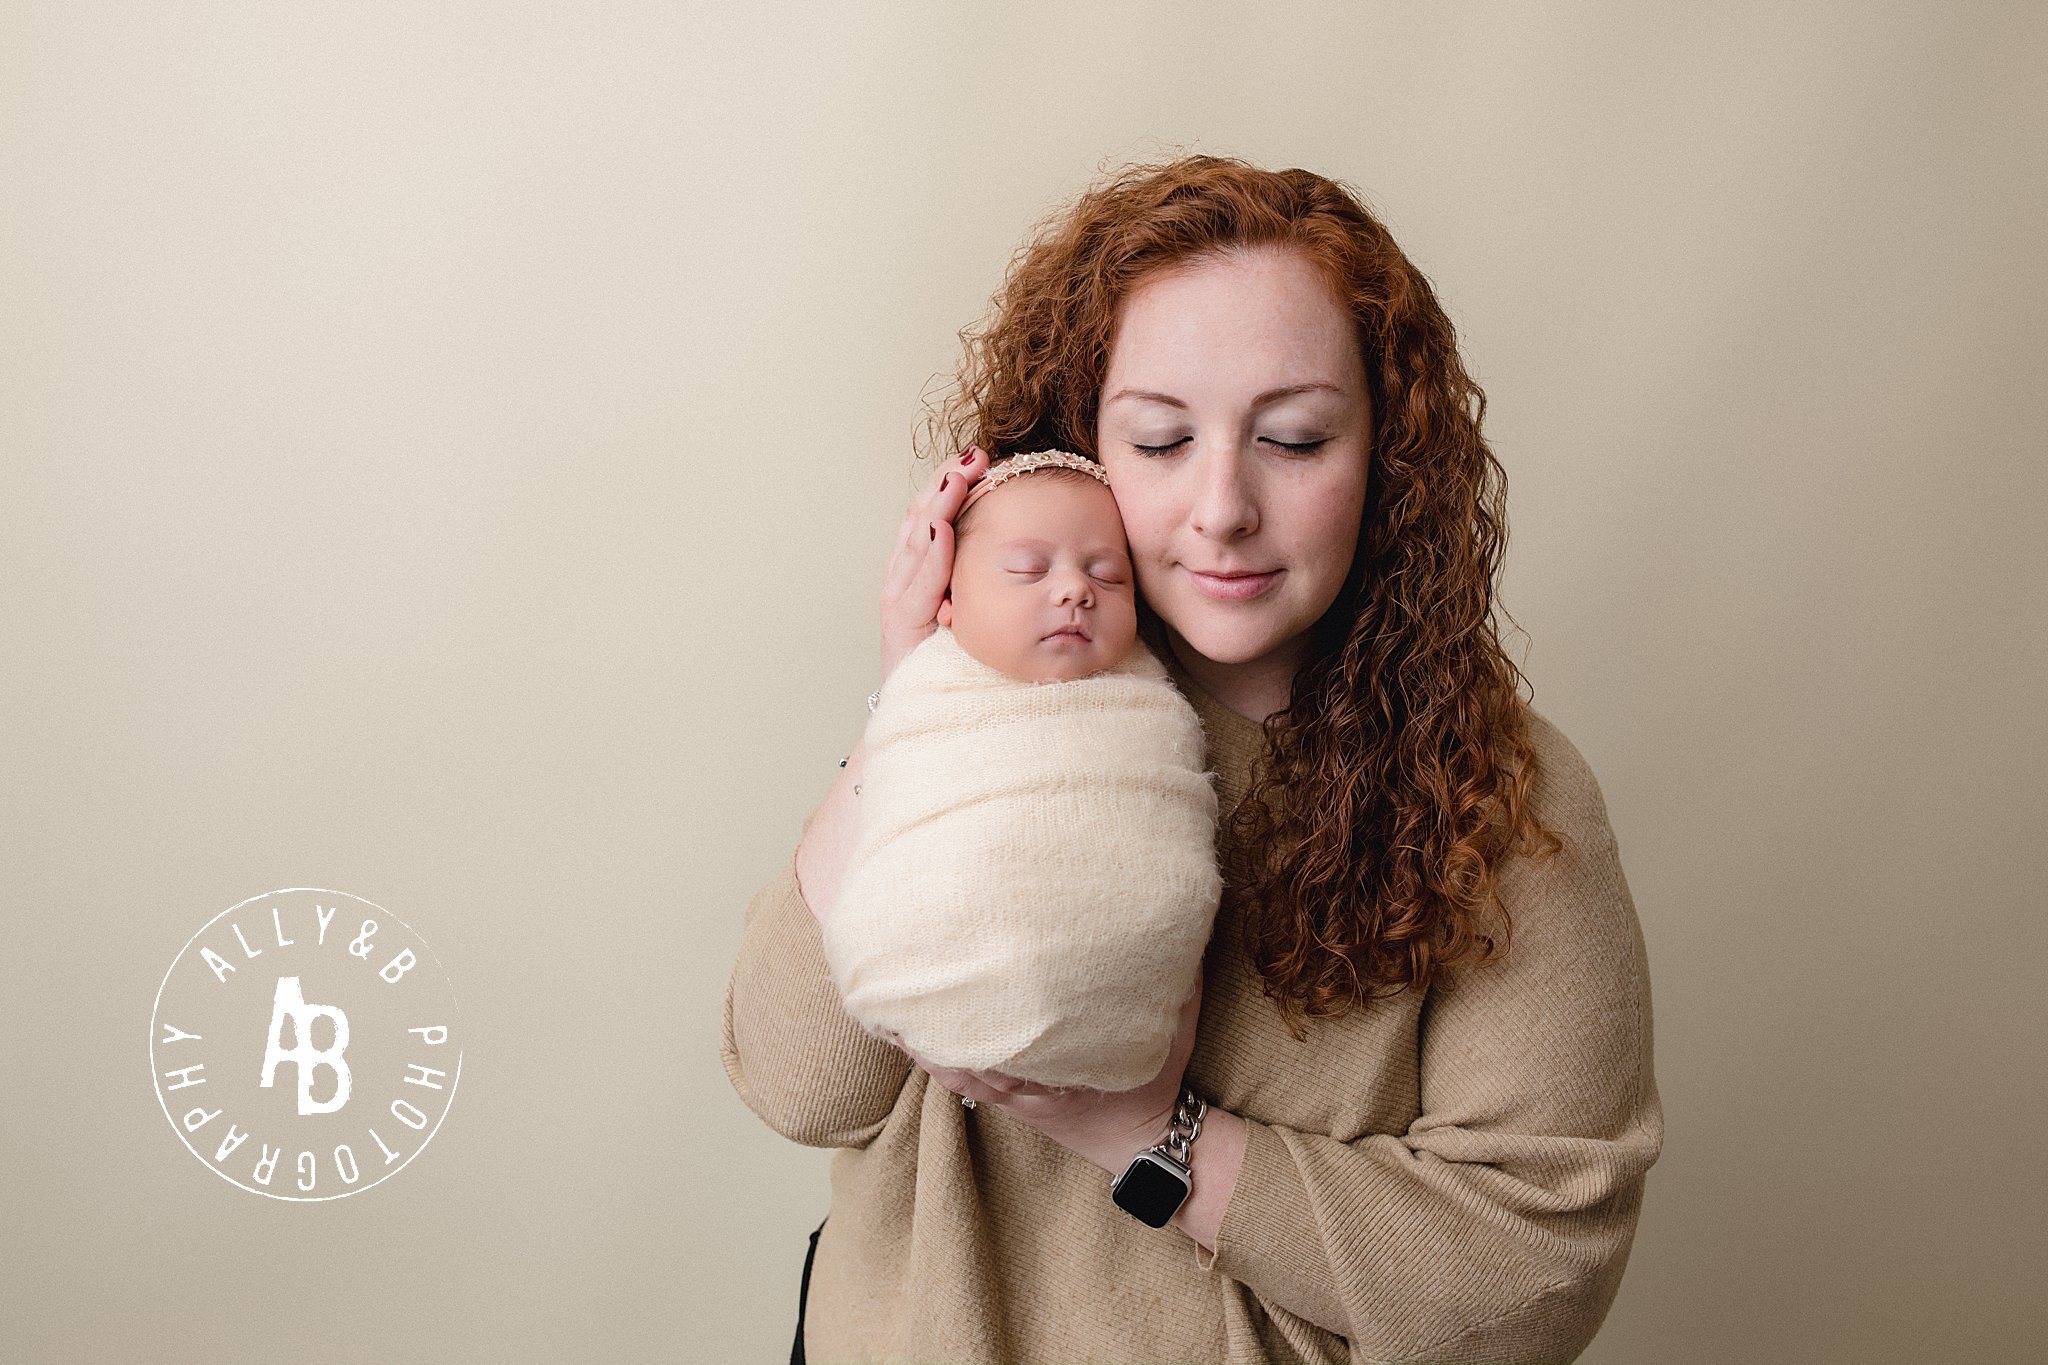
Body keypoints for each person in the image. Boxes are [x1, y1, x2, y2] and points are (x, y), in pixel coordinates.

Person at [721, 152, 1663, 1364]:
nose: (1221, 507)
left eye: (1293, 439)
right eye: (1161, 441)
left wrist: (1142, 1132)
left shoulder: (1496, 791)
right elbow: (804, 1085)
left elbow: (1530, 1277)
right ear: (1078, 447)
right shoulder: (987, 707)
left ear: (1384, 458)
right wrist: (917, 693)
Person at [821, 449, 1223, 1093]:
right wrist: (901, 652)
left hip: (1130, 1007)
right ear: (948, 598)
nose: (1074, 590)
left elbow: (1167, 852)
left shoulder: (1149, 698)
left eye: (1108, 575)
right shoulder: (929, 691)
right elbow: (808, 1095)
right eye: (1027, 569)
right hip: (934, 972)